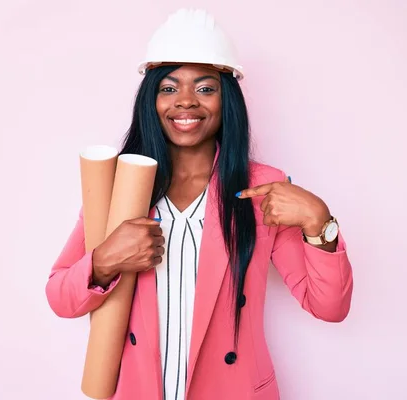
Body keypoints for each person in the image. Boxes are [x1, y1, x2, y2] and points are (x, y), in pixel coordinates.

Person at [45, 8, 353, 400]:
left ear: (228, 101)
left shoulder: (262, 188)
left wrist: (318, 221)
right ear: (151, 100)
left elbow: (329, 306)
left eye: (205, 89)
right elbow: (60, 297)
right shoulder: (119, 187)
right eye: (169, 88)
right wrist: (105, 260)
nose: (186, 102)